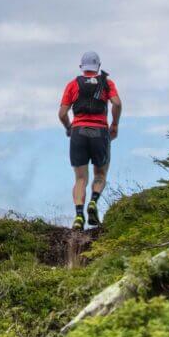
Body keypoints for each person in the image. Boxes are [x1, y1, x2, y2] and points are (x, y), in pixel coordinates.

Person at [58, 51, 121, 230]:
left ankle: (79, 216)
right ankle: (93, 202)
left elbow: (62, 113)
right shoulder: (107, 83)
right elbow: (117, 103)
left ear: (82, 68)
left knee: (80, 179)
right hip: (100, 132)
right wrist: (114, 125)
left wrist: (69, 128)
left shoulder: (72, 85)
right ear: (98, 67)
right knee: (100, 174)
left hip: (79, 132)